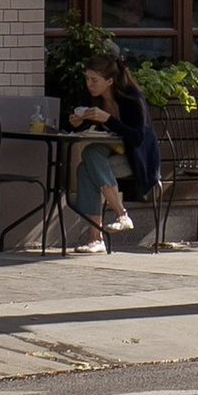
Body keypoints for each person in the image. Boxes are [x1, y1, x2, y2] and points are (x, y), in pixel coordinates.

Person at [63, 54, 164, 255]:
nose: (89, 84)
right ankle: (112, 223)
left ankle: (102, 232)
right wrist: (75, 122)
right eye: (87, 79)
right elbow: (82, 126)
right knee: (87, 162)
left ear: (109, 81)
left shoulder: (132, 99)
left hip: (137, 160)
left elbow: (137, 138)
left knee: (88, 163)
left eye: (94, 80)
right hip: (107, 156)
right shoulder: (93, 99)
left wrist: (108, 119)